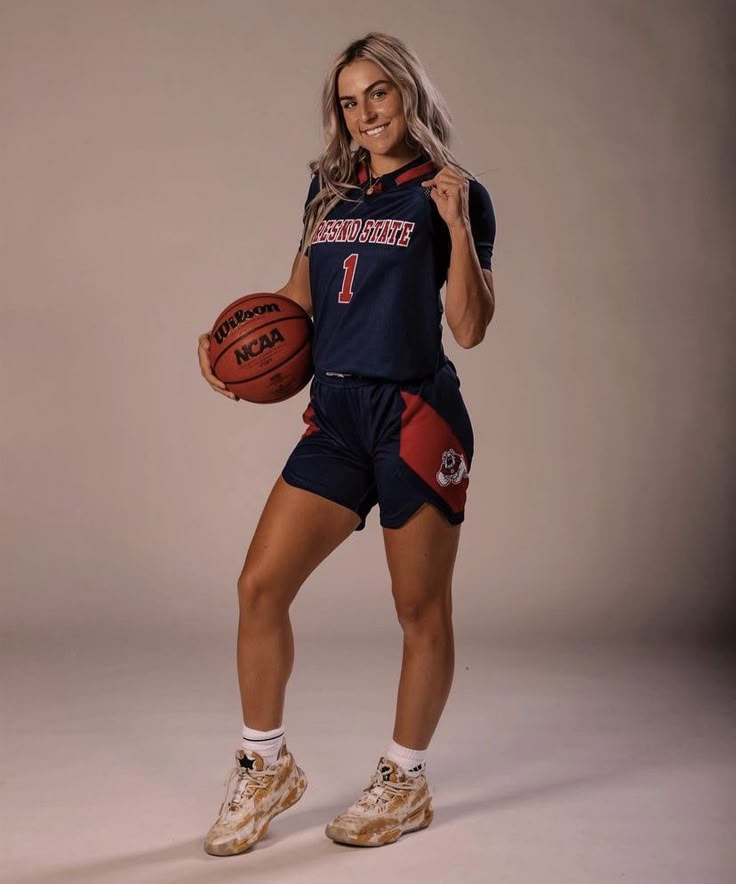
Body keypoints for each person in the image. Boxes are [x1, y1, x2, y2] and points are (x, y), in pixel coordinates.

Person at [197, 31, 496, 854]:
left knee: (417, 606)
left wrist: (458, 227)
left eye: (378, 94)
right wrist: (235, 353)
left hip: (415, 416)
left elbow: (469, 328)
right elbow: (295, 306)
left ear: (408, 93)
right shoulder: (327, 191)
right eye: (348, 99)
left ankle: (403, 781)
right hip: (335, 415)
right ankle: (266, 766)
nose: (364, 112)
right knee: (259, 586)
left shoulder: (452, 191)